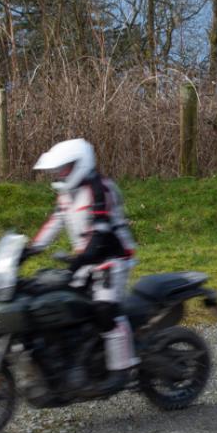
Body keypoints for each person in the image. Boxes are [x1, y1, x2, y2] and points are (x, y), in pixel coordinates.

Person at [27, 138, 138, 384]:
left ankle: (123, 368)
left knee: (105, 310)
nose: (60, 173)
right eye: (59, 168)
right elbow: (54, 222)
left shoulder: (101, 190)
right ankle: (80, 357)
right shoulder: (68, 193)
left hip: (113, 258)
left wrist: (79, 260)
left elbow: (100, 232)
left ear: (81, 164)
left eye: (65, 167)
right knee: (63, 303)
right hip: (87, 259)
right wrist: (30, 249)